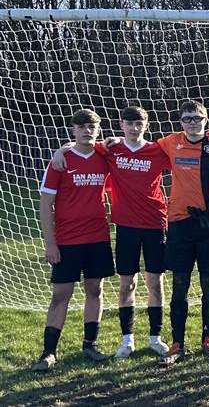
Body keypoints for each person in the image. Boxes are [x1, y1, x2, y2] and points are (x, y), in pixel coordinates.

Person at [49, 106, 173, 359]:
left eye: (139, 124)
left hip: (155, 223)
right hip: (125, 226)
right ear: (121, 125)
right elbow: (82, 144)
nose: (135, 128)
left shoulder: (158, 151)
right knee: (127, 283)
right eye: (130, 123)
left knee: (155, 282)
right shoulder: (110, 150)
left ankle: (155, 337)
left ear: (147, 126)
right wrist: (60, 150)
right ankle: (127, 340)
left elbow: (187, 155)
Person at [157, 100, 209, 366]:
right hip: (180, 222)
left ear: (206, 120)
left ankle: (207, 338)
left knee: (208, 283)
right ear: (180, 122)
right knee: (180, 284)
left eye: (198, 118)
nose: (193, 123)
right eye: (187, 119)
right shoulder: (170, 142)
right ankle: (177, 343)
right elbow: (139, 147)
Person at [33, 109, 113, 371]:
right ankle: (48, 352)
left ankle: (90, 345)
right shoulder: (60, 161)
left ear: (98, 130)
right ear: (73, 130)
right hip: (67, 241)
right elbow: (46, 203)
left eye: (92, 127)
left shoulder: (104, 157)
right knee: (60, 294)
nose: (87, 131)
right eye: (81, 127)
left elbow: (125, 146)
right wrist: (50, 243)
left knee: (95, 290)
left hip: (98, 237)